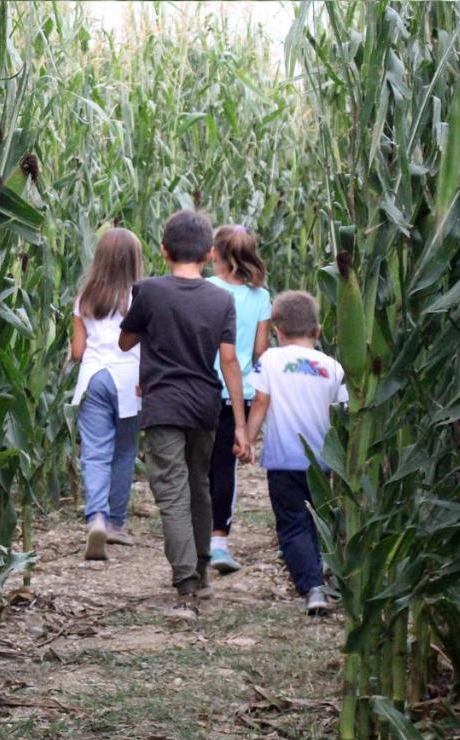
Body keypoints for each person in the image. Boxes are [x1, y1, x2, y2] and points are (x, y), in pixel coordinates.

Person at [118, 210, 249, 599]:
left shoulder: (149, 291)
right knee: (199, 485)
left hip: (162, 405)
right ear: (210, 253)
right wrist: (240, 425)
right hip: (205, 406)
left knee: (172, 490)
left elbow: (125, 341)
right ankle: (203, 566)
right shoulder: (222, 299)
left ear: (163, 251)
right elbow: (229, 362)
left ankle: (187, 578)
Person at [245, 291, 346, 615]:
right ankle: (321, 574)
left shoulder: (271, 361)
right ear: (317, 331)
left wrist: (246, 438)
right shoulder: (332, 366)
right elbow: (344, 411)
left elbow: (260, 402)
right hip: (323, 462)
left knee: (292, 524)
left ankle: (313, 587)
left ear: (277, 330)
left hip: (283, 459)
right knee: (317, 520)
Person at [69, 227, 144, 561]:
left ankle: (95, 516)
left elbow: (76, 351)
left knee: (95, 452)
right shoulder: (141, 297)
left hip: (94, 377)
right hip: (130, 381)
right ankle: (115, 523)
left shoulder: (85, 298)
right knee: (124, 452)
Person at [206, 224, 271, 575]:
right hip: (239, 393)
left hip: (202, 387)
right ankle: (218, 544)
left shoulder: (205, 289)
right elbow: (261, 350)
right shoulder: (261, 297)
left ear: (214, 253)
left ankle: (194, 537)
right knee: (223, 467)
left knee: (198, 463)